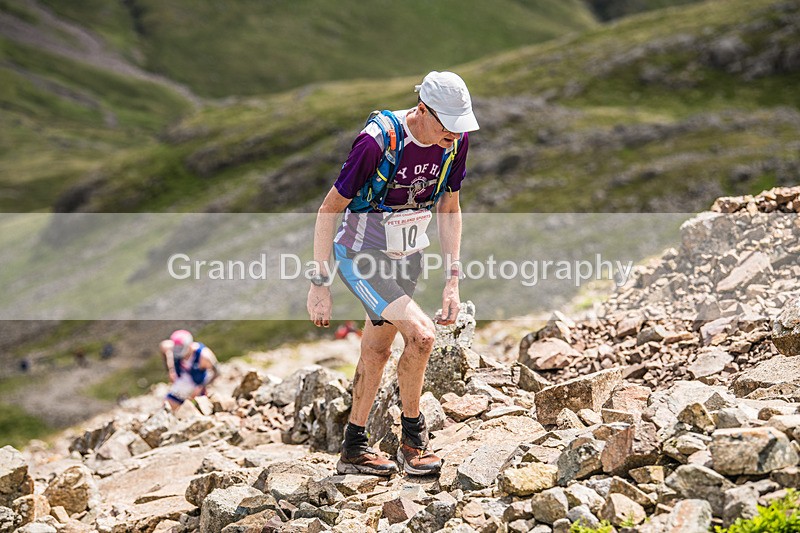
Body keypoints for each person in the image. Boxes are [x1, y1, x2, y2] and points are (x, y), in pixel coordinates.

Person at [306, 71, 479, 476]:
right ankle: (413, 443)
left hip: (408, 255)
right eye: (448, 127)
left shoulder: (455, 143)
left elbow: (450, 209)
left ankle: (353, 448)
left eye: (461, 127)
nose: (455, 135)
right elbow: (328, 209)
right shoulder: (376, 142)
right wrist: (320, 284)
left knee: (378, 350)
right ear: (423, 110)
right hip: (361, 255)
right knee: (421, 335)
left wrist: (453, 280)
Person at [159, 329, 219, 410]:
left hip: (198, 382)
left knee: (197, 407)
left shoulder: (204, 356)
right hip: (182, 381)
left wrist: (202, 386)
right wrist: (170, 370)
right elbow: (163, 346)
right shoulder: (169, 347)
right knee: (167, 406)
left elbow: (216, 372)